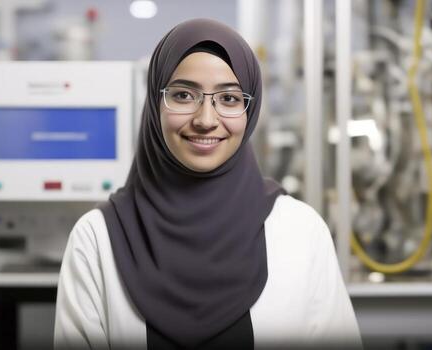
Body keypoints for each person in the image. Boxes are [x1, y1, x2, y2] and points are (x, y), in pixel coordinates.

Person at [54, 18, 362, 350]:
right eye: (184, 95)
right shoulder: (98, 239)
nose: (205, 120)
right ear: (155, 103)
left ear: (251, 108)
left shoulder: (300, 231)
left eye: (229, 99)